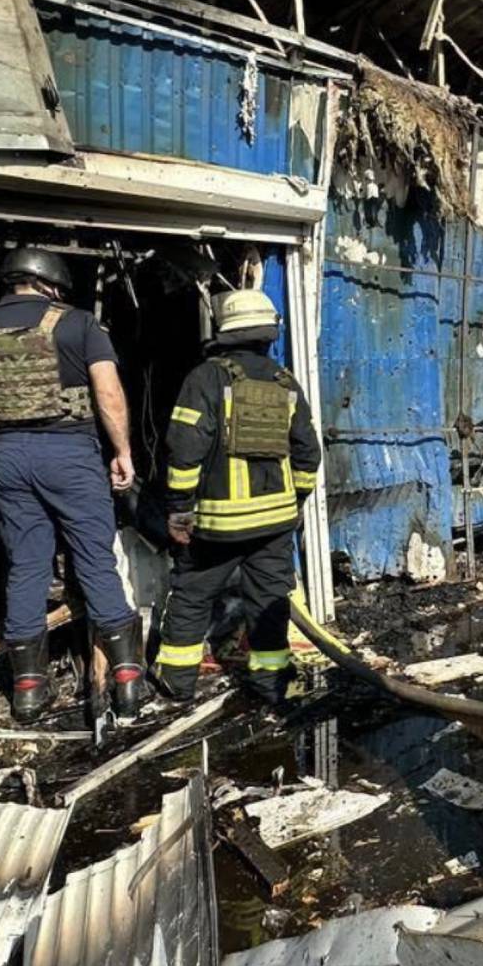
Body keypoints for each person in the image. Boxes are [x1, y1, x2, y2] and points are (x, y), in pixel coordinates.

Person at [0, 246, 145, 723]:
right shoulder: (79, 325)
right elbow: (108, 393)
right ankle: (128, 683)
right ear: (53, 283)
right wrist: (122, 450)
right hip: (71, 452)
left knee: (27, 567)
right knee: (96, 560)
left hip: (11, 457)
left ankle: (29, 690)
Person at [155, 288, 321, 706]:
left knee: (193, 594)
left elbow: (184, 447)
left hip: (218, 524)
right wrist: (295, 501)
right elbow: (308, 452)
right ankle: (270, 684)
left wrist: (179, 508)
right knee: (268, 599)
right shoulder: (286, 383)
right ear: (269, 335)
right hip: (275, 522)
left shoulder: (206, 378)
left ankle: (177, 682)